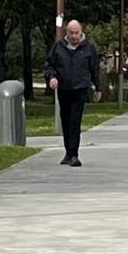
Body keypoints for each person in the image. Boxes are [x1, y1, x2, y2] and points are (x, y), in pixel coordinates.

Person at [45, 19, 103, 167]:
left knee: (75, 120)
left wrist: (98, 88)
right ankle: (68, 153)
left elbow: (94, 69)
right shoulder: (58, 47)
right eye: (71, 33)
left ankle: (74, 154)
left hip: (80, 88)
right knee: (65, 120)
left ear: (81, 31)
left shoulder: (88, 48)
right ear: (67, 32)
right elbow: (49, 65)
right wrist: (52, 77)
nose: (74, 36)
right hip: (64, 88)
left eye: (76, 33)